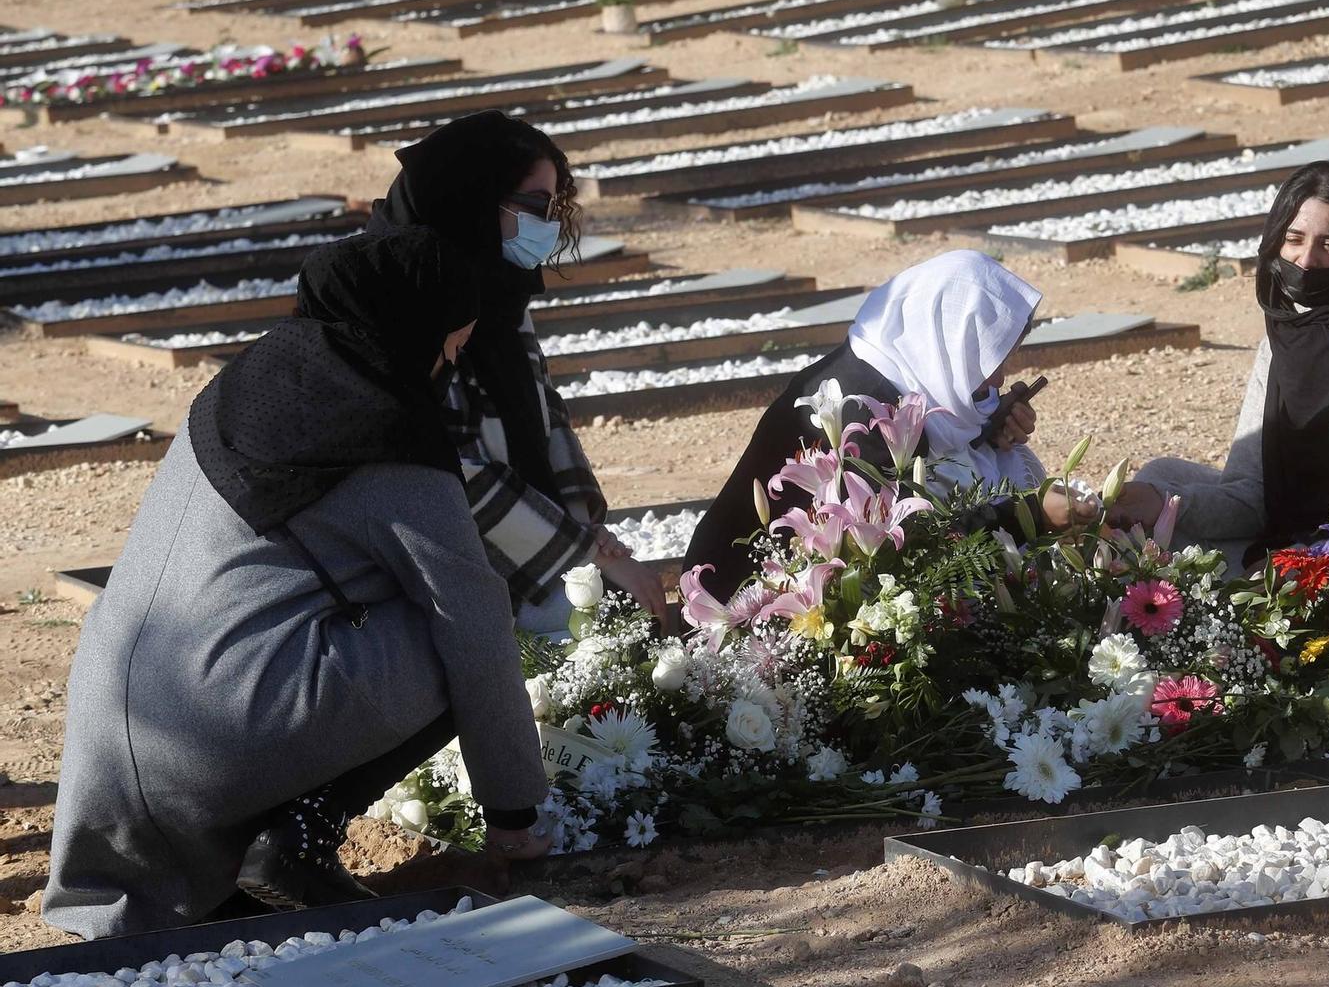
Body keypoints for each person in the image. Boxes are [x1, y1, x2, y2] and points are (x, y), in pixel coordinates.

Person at [45, 231, 551, 940]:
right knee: (461, 623)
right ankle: (294, 843)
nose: (452, 361)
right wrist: (513, 813)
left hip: (113, 736)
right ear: (413, 327)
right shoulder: (385, 430)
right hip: (209, 732)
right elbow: (474, 619)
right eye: (453, 343)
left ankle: (215, 875)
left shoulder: (249, 380)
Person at [367, 110, 669, 631]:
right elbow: (450, 471)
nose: (546, 225)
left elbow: (546, 417)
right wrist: (583, 560)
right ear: (473, 197)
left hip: (541, 547)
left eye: (553, 208)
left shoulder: (503, 292)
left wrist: (596, 544)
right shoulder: (396, 304)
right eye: (533, 206)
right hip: (440, 572)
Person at [683, 249, 1086, 597]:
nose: (998, 381)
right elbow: (906, 551)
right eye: (988, 361)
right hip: (752, 618)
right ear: (949, 338)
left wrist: (985, 427)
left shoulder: (896, 365)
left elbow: (932, 449)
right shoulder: (859, 410)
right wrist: (1030, 515)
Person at [1110, 162, 1329, 571]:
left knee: (1165, 544)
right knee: (1161, 476)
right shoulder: (1281, 340)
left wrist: (1301, 560)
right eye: (1294, 239)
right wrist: (1161, 499)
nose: (1306, 260)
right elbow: (1253, 492)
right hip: (1279, 525)